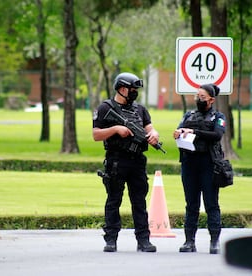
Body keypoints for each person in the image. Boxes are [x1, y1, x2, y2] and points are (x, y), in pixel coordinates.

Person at [92, 72, 160, 253]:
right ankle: (111, 239)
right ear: (122, 89)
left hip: (137, 161)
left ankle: (143, 240)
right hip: (117, 160)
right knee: (114, 200)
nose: (134, 93)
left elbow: (150, 129)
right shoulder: (106, 108)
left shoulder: (140, 110)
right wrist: (115, 129)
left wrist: (154, 135)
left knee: (139, 201)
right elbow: (96, 134)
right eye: (132, 89)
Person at [173, 83, 226, 254]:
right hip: (190, 164)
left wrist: (194, 132)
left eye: (202, 97)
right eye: (197, 96)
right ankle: (189, 241)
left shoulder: (218, 117)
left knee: (211, 203)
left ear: (211, 100)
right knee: (191, 204)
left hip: (209, 164)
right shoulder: (188, 115)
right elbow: (180, 129)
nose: (198, 99)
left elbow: (217, 135)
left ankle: (214, 241)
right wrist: (178, 133)